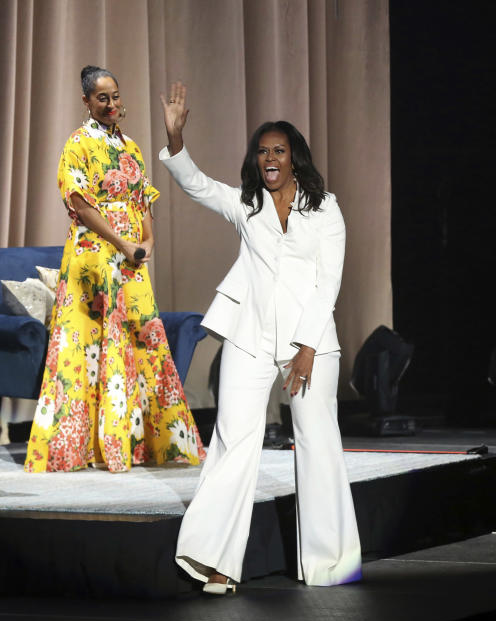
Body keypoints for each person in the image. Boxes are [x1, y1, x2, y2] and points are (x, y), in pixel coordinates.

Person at [158, 82, 362, 593]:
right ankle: (217, 561)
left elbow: (329, 282)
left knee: (318, 444)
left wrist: (309, 348)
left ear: (295, 160)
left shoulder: (326, 209)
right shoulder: (245, 203)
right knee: (232, 440)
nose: (269, 158)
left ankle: (330, 562)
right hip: (249, 336)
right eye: (262, 151)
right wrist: (176, 138)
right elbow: (198, 186)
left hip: (308, 343)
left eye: (279, 151)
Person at [24, 67, 205, 473]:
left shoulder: (132, 147)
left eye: (116, 96)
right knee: (85, 351)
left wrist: (147, 241)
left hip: (131, 261)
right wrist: (121, 243)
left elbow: (143, 199)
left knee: (143, 339)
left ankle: (138, 445)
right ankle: (83, 448)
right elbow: (81, 204)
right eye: (102, 98)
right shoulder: (77, 144)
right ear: (87, 102)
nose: (111, 104)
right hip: (93, 258)